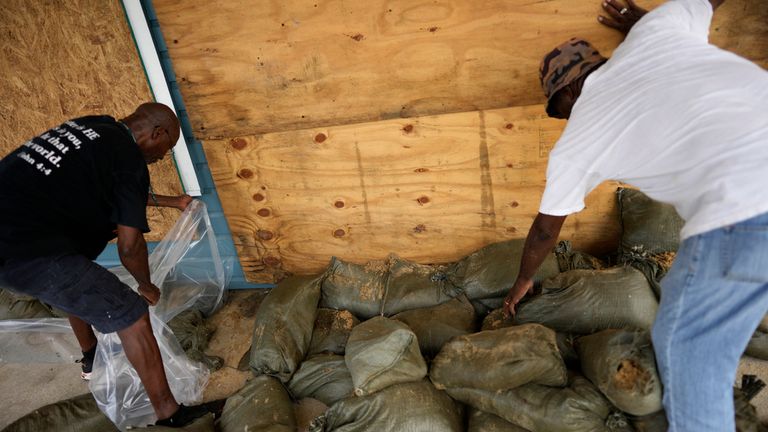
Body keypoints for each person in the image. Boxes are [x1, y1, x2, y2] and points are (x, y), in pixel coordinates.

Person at [502, 0, 768, 430]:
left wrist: (521, 283)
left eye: (559, 108)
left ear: (569, 91)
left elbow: (545, 231)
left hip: (743, 210)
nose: (564, 118)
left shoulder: (579, 138)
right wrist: (644, 20)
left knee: (688, 353)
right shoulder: (655, 31)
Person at [0, 103, 208, 427]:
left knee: (78, 276)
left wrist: (172, 202)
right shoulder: (129, 159)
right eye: (165, 150)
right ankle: (171, 416)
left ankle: (91, 355)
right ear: (157, 134)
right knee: (132, 315)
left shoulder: (95, 128)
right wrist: (146, 285)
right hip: (27, 249)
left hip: (17, 235)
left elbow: (115, 188)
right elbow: (129, 245)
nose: (160, 157)